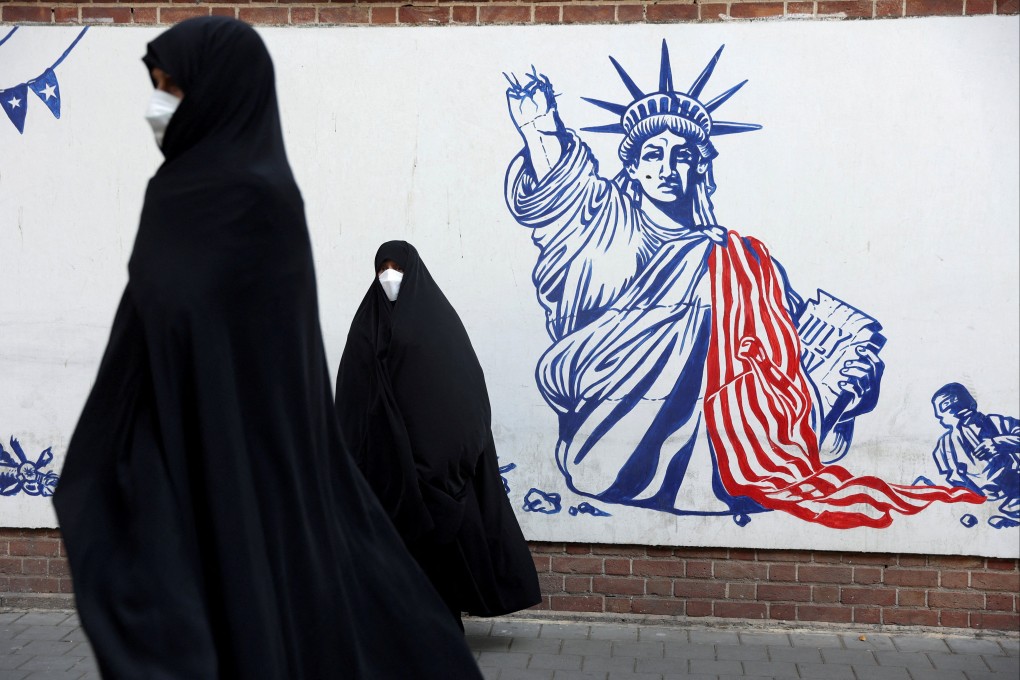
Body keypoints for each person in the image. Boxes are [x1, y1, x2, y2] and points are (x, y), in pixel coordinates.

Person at [52, 18, 482, 679]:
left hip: (255, 455)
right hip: (170, 436)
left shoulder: (263, 202)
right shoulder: (169, 195)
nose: (157, 105)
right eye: (158, 86)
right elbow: (152, 318)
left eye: (173, 88)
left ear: (222, 92)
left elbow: (270, 357)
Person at [503, 42, 981, 528]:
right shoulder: (608, 228)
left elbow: (788, 350)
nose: (667, 168)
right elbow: (562, 199)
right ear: (632, 166)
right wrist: (540, 131)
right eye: (653, 154)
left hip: (733, 443)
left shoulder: (742, 259)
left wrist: (846, 382)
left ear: (700, 167)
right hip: (605, 428)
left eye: (683, 155)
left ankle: (769, 447)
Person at [334, 241, 542, 630]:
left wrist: (438, 467)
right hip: (382, 473)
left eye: (397, 268)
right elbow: (351, 398)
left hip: (429, 476)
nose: (389, 277)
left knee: (433, 560)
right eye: (383, 269)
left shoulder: (437, 326)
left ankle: (435, 635)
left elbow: (465, 401)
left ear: (413, 271)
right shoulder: (367, 326)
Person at [931, 383, 1020, 527]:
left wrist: (999, 443)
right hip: (982, 506)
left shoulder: (996, 422)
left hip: (1014, 490)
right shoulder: (944, 446)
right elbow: (950, 479)